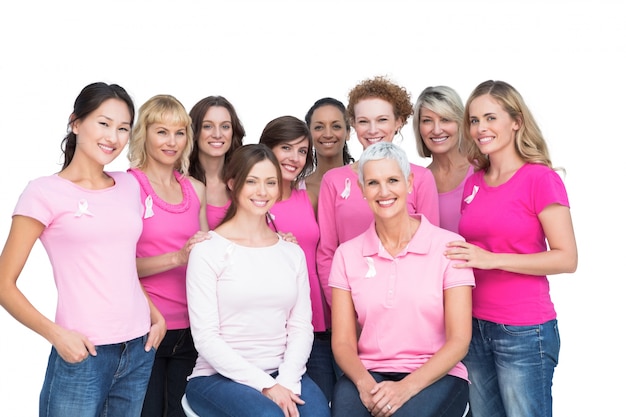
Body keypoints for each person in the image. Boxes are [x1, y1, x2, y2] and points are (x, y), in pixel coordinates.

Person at [0, 82, 166, 416]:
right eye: (103, 123)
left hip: (139, 346)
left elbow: (121, 266)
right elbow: (4, 284)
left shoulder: (130, 184)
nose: (113, 137)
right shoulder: (43, 192)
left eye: (123, 128)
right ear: (75, 123)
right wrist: (57, 335)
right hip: (83, 352)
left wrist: (156, 317)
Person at [445, 80, 578, 417]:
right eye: (474, 121)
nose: (480, 129)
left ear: (516, 121)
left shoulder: (540, 179)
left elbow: (566, 257)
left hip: (523, 330)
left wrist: (491, 260)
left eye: (490, 118)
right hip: (473, 327)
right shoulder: (474, 181)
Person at [330, 142, 474, 417]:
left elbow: (459, 340)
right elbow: (343, 343)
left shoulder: (449, 247)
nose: (384, 191)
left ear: (409, 183)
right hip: (370, 373)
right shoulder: (346, 255)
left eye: (393, 180)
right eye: (373, 183)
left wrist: (406, 388)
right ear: (362, 190)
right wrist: (365, 384)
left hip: (436, 374)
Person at [184, 144, 330, 417]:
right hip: (217, 377)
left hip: (281, 371)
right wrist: (266, 386)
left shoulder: (291, 252)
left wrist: (286, 380)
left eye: (270, 182)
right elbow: (206, 338)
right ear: (232, 183)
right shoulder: (207, 250)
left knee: (318, 414)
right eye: (252, 181)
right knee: (269, 416)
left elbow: (300, 327)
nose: (262, 192)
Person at [317, 75, 440, 309]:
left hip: (409, 305)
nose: (372, 130)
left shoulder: (421, 179)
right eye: (363, 121)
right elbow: (326, 254)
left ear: (399, 122)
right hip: (351, 302)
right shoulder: (333, 181)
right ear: (353, 124)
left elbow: (430, 250)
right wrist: (343, 311)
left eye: (382, 119)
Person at [127, 94, 210, 417]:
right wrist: (177, 258)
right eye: (161, 131)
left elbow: (203, 256)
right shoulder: (127, 186)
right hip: (145, 329)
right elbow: (119, 267)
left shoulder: (195, 189)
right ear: (144, 134)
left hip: (193, 331)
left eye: (179, 132)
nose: (171, 141)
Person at [259, 115, 333, 404]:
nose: (295, 158)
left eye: (302, 151)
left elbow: (325, 253)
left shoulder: (310, 195)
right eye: (286, 148)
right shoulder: (251, 197)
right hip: (272, 327)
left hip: (316, 319)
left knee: (323, 403)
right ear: (268, 149)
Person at [414, 86, 474, 233]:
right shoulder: (416, 181)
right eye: (427, 121)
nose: (436, 130)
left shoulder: (484, 169)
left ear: (460, 123)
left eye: (445, 119)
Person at [188, 95, 245, 229]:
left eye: (225, 126)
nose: (217, 134)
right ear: (194, 131)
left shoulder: (243, 180)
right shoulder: (179, 182)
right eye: (207, 126)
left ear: (233, 132)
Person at [303, 97, 354, 215]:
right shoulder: (296, 189)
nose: (327, 134)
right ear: (309, 134)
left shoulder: (365, 183)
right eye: (319, 127)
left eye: (336, 126)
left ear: (348, 133)